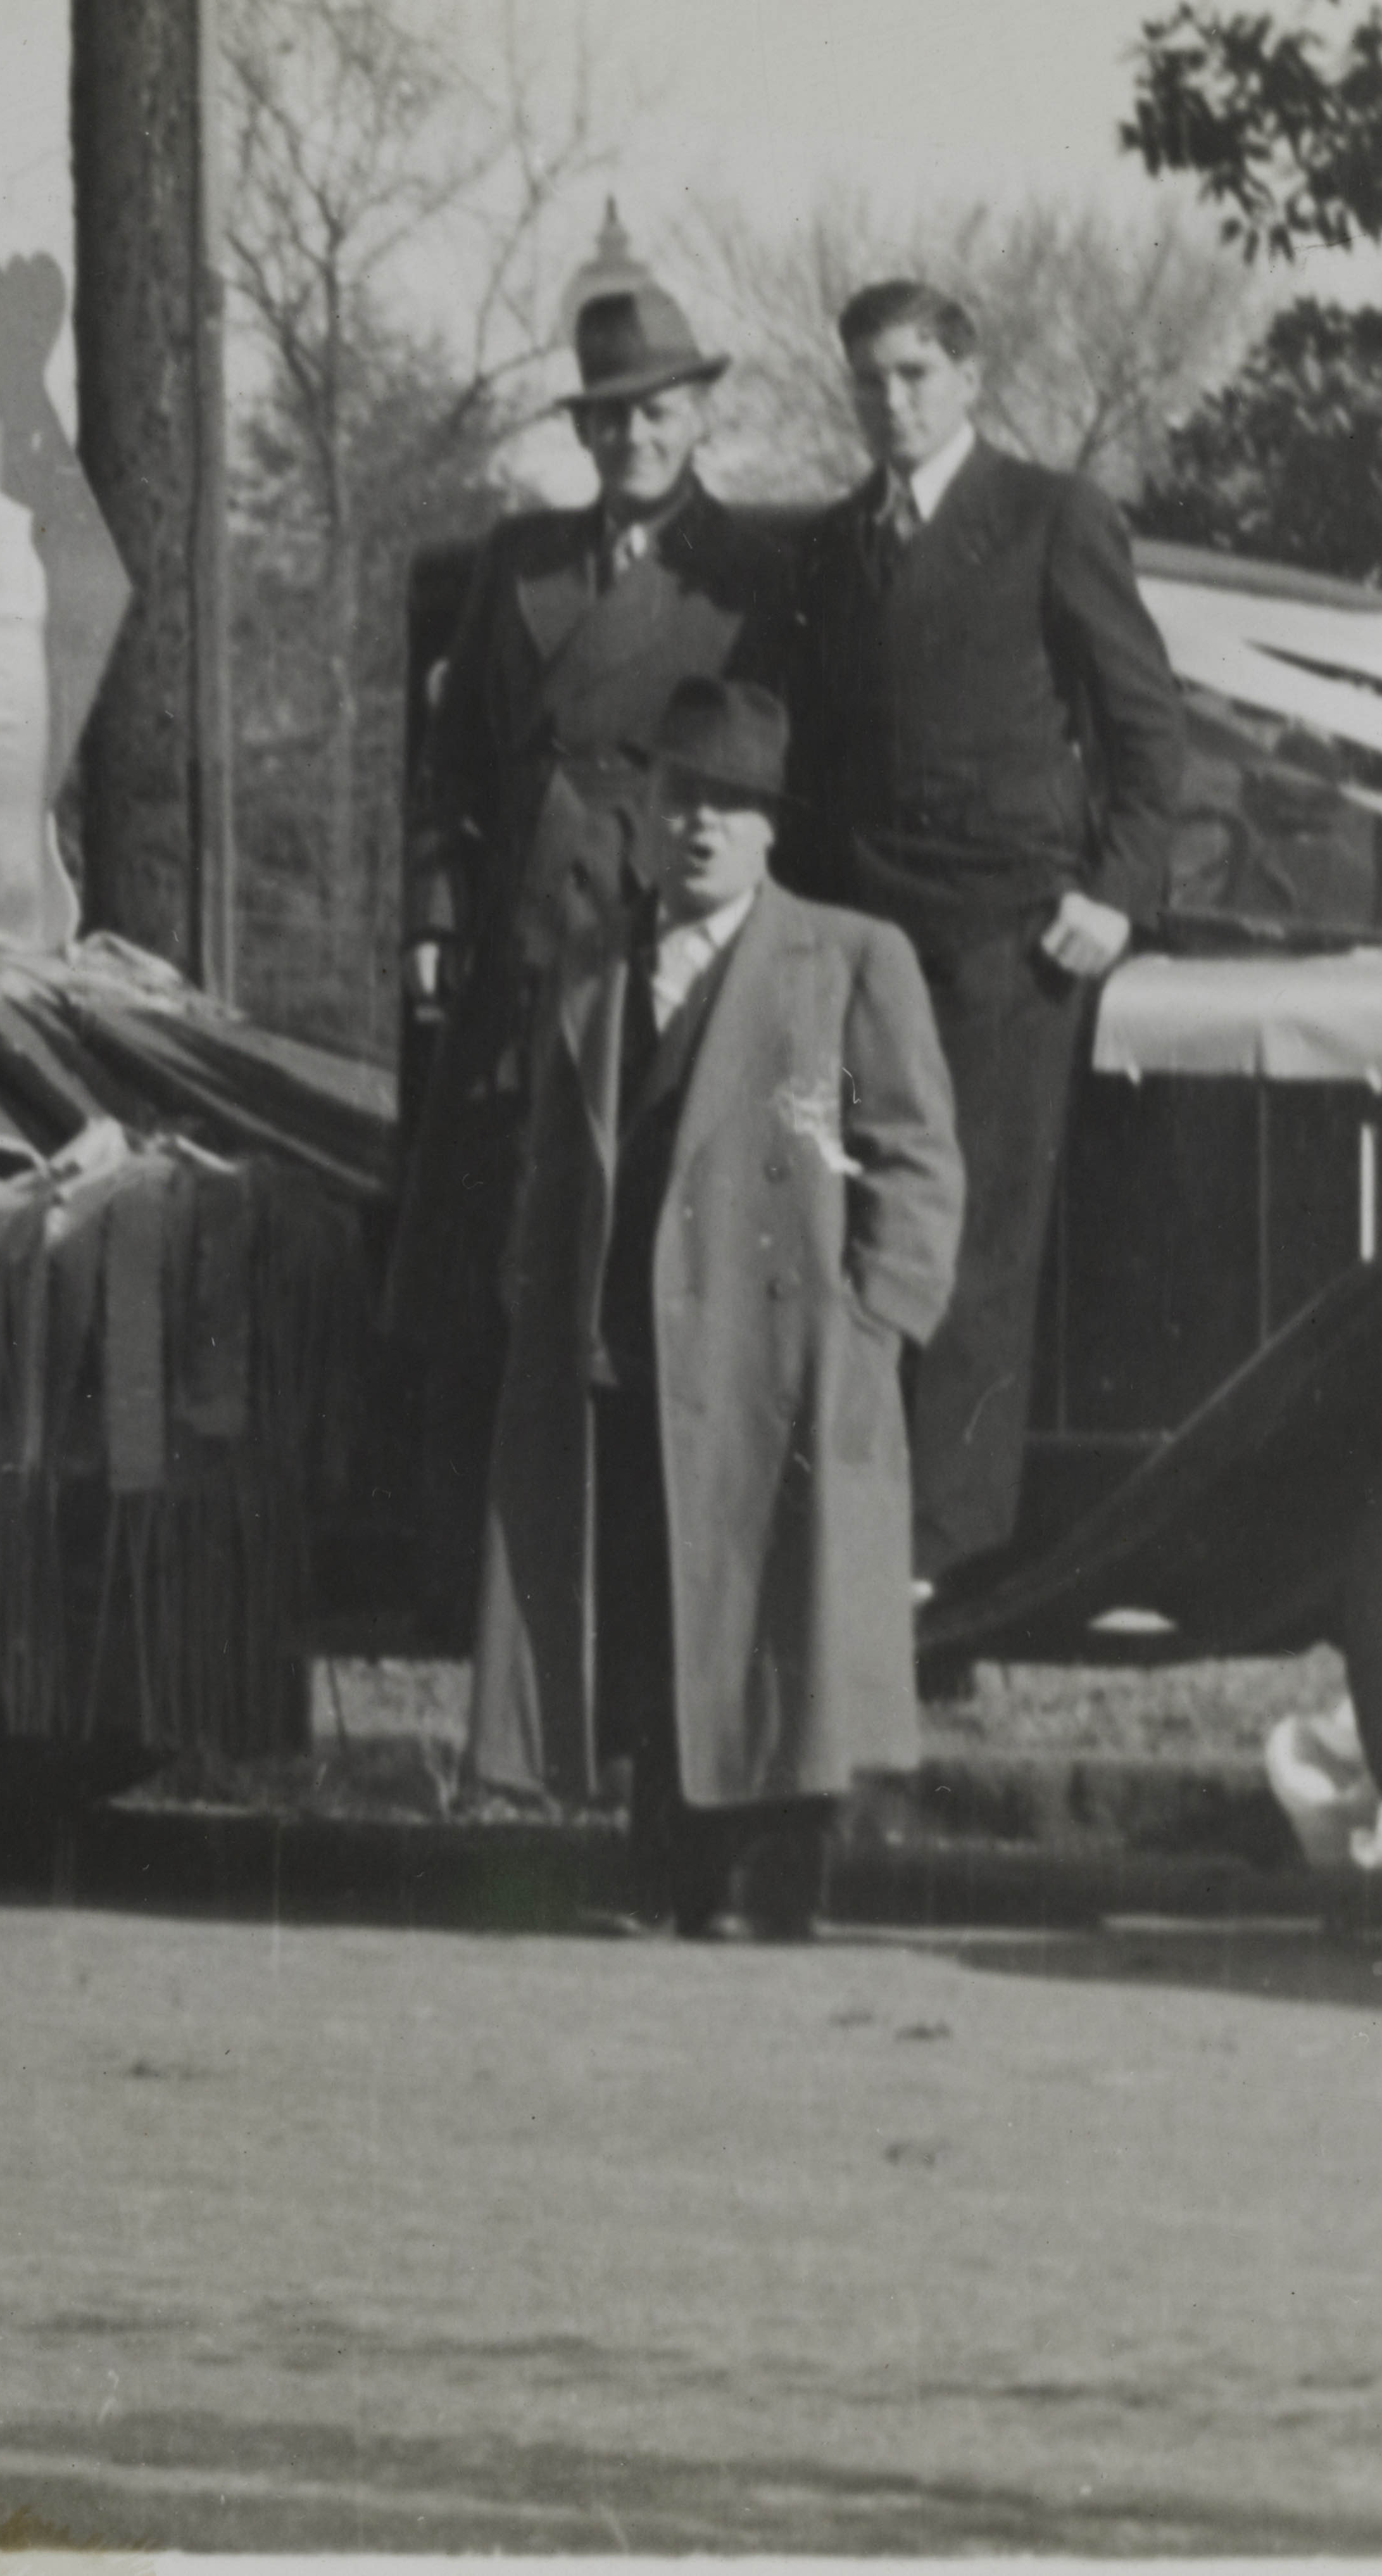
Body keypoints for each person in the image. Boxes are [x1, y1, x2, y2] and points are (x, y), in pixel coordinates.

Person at [468, 679, 964, 1939]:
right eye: (683, 795)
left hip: (782, 1352)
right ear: (640, 808)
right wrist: (538, 1300)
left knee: (779, 1605)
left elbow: (914, 1152)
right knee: (649, 1602)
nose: (702, 825)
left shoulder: (849, 957)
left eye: (733, 805)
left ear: (768, 829)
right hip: (623, 1344)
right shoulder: (590, 966)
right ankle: (663, 1873)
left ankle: (773, 1882)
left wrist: (875, 1321)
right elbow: (547, 1158)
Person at [385, 260, 791, 1620]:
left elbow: (771, 773)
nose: (633, 437)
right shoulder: (518, 560)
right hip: (519, 942)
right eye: (609, 417)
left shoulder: (747, 571)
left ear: (695, 418)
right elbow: (446, 773)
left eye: (657, 411)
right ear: (580, 433)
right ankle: (503, 1565)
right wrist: (435, 919)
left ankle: (642, 1559)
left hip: (655, 925)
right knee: (504, 1243)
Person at [784, 276, 1184, 1586]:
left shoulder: (1044, 515)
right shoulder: (838, 541)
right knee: (841, 1207)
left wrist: (1113, 892)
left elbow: (1142, 721)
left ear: (967, 377)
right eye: (866, 380)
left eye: (911, 375)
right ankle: (846, 1516)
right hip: (855, 936)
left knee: (975, 1237)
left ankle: (939, 1549)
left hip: (1004, 940)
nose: (888, 402)